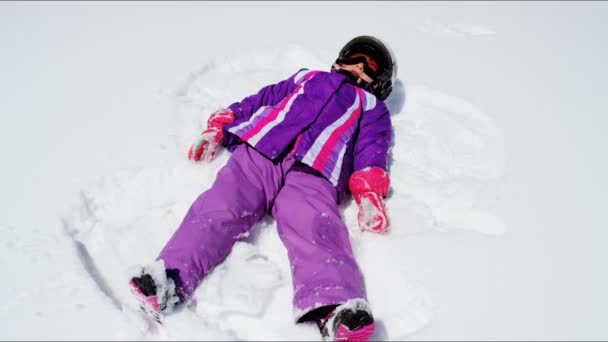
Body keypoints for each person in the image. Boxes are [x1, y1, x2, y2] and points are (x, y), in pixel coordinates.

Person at [128, 35, 397, 341]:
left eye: (371, 65)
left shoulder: (372, 107)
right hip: (259, 153)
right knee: (219, 207)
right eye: (355, 57)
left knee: (314, 228)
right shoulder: (308, 77)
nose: (360, 66)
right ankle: (169, 279)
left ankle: (335, 308)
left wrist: (369, 193)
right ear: (338, 61)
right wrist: (220, 126)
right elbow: (262, 99)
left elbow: (372, 149)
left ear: (380, 84)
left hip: (315, 172)